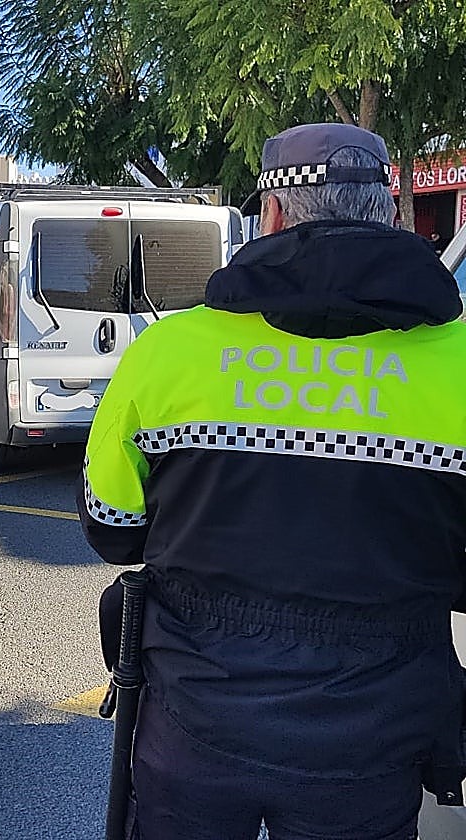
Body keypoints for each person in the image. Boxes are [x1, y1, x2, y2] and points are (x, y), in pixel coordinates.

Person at [80, 123, 466, 840]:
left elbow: (112, 529)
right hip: (377, 731)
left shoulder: (168, 352)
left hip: (197, 719)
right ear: (386, 210)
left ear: (276, 214)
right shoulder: (460, 359)